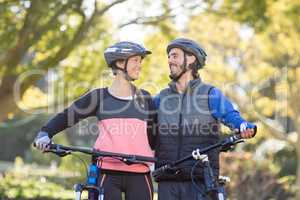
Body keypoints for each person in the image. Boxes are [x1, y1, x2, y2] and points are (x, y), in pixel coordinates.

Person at [34, 41, 156, 200]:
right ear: (119, 63)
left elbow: (155, 134)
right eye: (135, 60)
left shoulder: (145, 98)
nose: (139, 65)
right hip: (107, 172)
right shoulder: (98, 97)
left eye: (140, 61)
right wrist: (45, 133)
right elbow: (67, 115)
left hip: (141, 173)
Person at [153, 38, 257, 200]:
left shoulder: (210, 94)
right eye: (169, 57)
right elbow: (143, 123)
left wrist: (243, 126)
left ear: (191, 59)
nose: (169, 60)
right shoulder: (161, 98)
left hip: (200, 180)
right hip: (167, 180)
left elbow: (230, 116)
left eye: (175, 56)